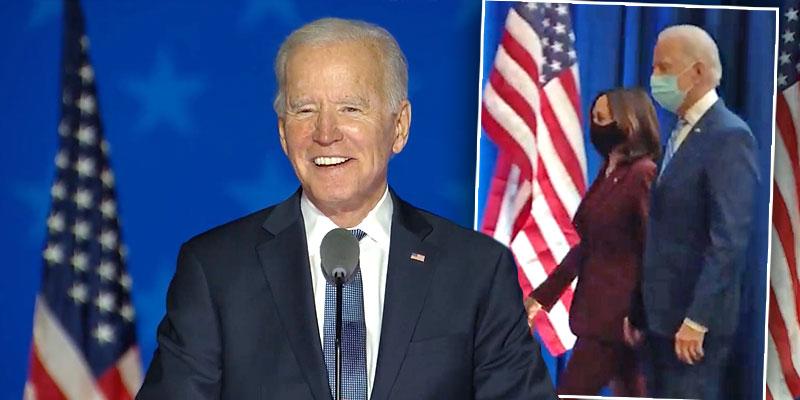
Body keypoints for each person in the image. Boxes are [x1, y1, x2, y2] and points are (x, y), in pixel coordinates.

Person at [136, 18, 556, 400]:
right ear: (283, 133)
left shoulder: (477, 271)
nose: (325, 133)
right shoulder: (215, 270)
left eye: (350, 108)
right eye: (304, 110)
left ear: (400, 126)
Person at [629, 24, 758, 400]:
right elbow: (662, 230)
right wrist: (639, 311)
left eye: (663, 68)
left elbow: (728, 239)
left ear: (697, 72)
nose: (654, 79)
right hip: (659, 322)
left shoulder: (730, 135)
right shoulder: (680, 130)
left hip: (692, 328)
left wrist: (698, 318)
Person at [524, 88, 660, 396]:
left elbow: (651, 251)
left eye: (602, 118)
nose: (595, 125)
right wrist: (542, 298)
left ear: (629, 121)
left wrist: (640, 314)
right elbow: (588, 247)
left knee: (572, 393)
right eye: (593, 117)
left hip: (618, 318)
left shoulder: (642, 175)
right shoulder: (609, 172)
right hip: (601, 317)